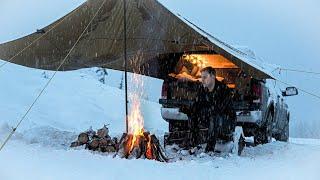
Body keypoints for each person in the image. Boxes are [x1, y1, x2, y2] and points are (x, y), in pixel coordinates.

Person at [189, 66, 236, 152]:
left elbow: (219, 109)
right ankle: (193, 145)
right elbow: (197, 104)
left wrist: (206, 111)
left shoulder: (224, 90)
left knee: (214, 117)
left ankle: (209, 150)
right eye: (201, 77)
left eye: (205, 77)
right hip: (211, 116)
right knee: (193, 114)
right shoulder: (202, 89)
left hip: (226, 120)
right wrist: (190, 110)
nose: (202, 80)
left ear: (213, 76)